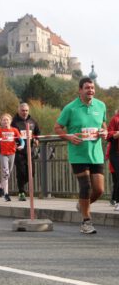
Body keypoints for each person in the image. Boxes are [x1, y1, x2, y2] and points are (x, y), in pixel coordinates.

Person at [54, 77, 107, 234]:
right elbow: (58, 127)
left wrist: (104, 131)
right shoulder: (70, 108)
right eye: (87, 88)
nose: (90, 90)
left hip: (96, 153)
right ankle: (86, 221)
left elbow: (103, 124)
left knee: (99, 190)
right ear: (80, 90)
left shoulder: (101, 105)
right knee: (85, 186)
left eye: (92, 87)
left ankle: (82, 205)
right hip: (78, 154)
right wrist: (69, 137)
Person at [0, 113, 24, 201]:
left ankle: (0, 186)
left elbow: (21, 140)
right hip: (3, 154)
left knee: (8, 173)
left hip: (12, 154)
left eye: (7, 120)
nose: (5, 121)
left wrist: (22, 145)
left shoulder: (14, 130)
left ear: (10, 121)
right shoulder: (0, 130)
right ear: (1, 122)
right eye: (3, 120)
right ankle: (6, 194)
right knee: (6, 173)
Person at [11, 102, 40, 201]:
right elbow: (9, 134)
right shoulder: (14, 122)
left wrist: (36, 139)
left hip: (30, 151)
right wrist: (14, 142)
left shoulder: (32, 121)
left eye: (26, 110)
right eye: (23, 110)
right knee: (21, 172)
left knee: (31, 174)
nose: (25, 112)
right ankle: (21, 192)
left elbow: (37, 132)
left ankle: (22, 186)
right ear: (18, 111)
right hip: (18, 152)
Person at [107, 109, 119, 211]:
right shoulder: (115, 119)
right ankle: (117, 202)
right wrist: (116, 134)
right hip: (116, 153)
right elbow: (109, 136)